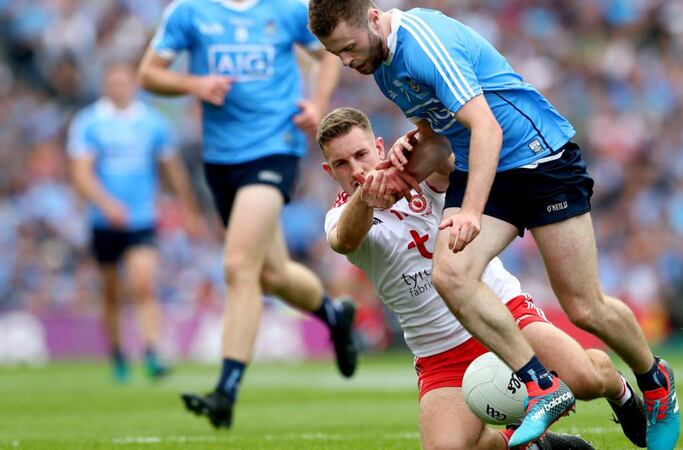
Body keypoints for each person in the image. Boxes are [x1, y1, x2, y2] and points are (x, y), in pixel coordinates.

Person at [307, 3, 680, 449]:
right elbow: (440, 131)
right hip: (486, 175)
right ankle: (542, 387)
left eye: (348, 48)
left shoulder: (423, 43)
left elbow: (484, 126)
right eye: (336, 54)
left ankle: (654, 379)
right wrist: (403, 166)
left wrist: (468, 208)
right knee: (451, 274)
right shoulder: (383, 69)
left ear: (371, 18)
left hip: (537, 158)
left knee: (584, 307)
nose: (346, 61)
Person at [317, 107, 647, 450]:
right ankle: (541, 447)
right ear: (329, 171)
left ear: (379, 147)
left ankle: (620, 391)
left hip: (499, 310)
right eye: (342, 163)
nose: (356, 169)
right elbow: (346, 239)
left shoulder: (414, 174)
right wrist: (365, 198)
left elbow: (450, 166)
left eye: (361, 154)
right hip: (439, 351)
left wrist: (421, 150)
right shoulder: (342, 215)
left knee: (585, 380)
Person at [138, 0, 357, 429]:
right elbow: (149, 73)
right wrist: (194, 84)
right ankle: (335, 315)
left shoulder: (288, 10)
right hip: (221, 160)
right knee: (270, 274)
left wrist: (317, 102)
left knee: (239, 265)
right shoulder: (188, 12)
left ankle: (226, 389)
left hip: (275, 147)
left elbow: (327, 55)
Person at [67, 62, 203, 382]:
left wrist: (189, 209)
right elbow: (81, 175)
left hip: (141, 218)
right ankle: (117, 355)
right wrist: (106, 204)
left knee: (143, 284)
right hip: (104, 221)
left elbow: (173, 168)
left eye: (125, 81)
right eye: (113, 81)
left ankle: (152, 353)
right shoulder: (89, 123)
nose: (119, 87)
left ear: (133, 84)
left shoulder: (152, 123)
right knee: (112, 292)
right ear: (106, 85)